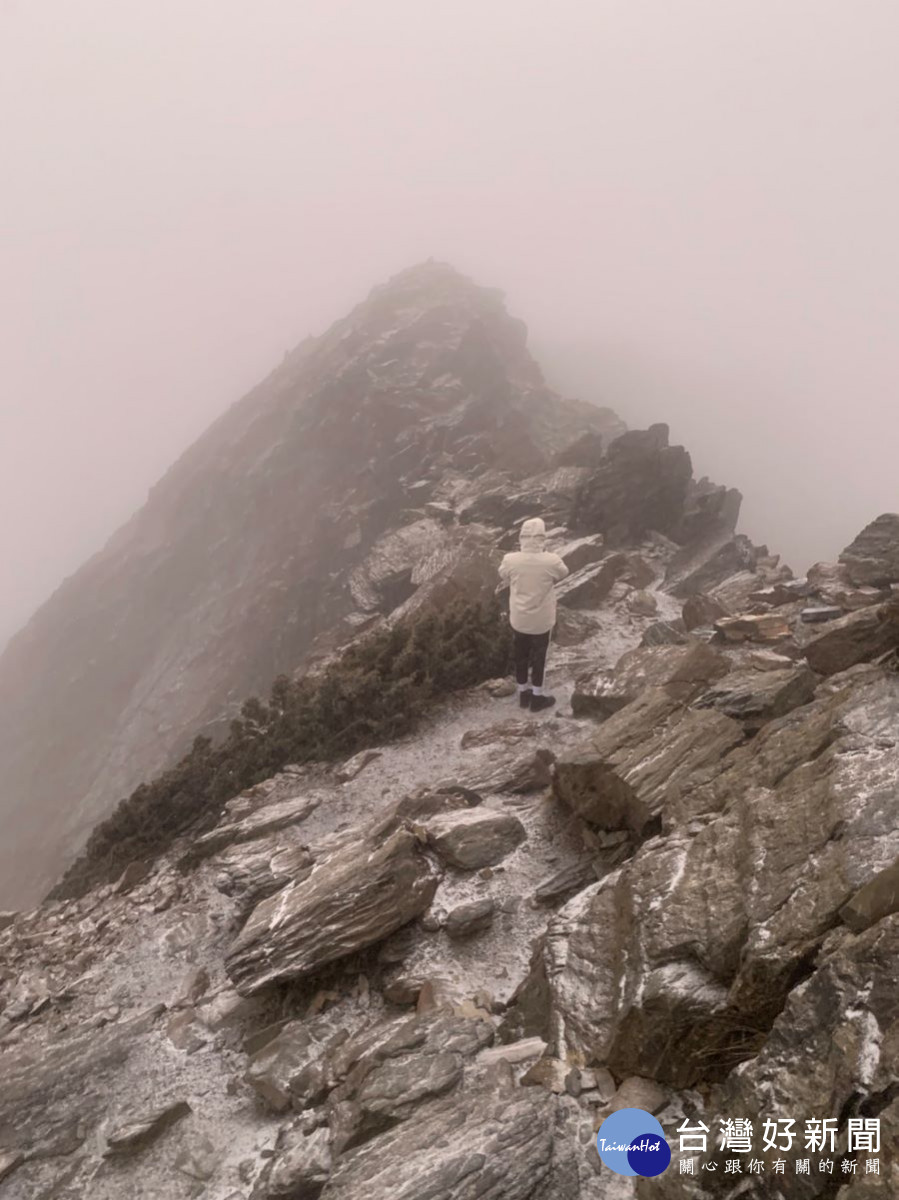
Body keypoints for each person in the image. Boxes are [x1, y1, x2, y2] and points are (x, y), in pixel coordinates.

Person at [498, 516, 569, 712]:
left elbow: (502, 574)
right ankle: (537, 697)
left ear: (521, 537)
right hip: (541, 620)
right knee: (539, 657)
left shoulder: (510, 560)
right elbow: (564, 573)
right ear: (542, 537)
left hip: (519, 618)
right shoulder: (551, 561)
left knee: (520, 655)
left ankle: (523, 694)